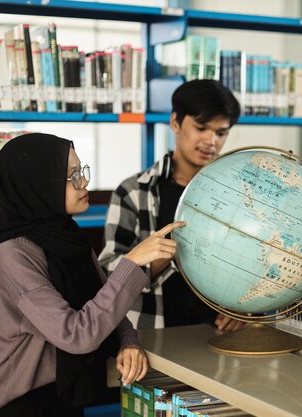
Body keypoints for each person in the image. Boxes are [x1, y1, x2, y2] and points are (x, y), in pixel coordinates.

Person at [0, 133, 185, 417]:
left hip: (65, 395)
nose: (84, 182)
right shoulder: (12, 256)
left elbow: (104, 305)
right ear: (38, 187)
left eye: (81, 171)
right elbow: (77, 334)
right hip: (22, 405)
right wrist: (132, 262)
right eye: (72, 176)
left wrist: (128, 341)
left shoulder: (68, 237)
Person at [99, 79, 244, 331]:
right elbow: (106, 274)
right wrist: (159, 257)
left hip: (219, 335)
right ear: (175, 122)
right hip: (152, 335)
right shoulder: (133, 192)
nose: (211, 141)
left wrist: (244, 309)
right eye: (201, 128)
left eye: (221, 133)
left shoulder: (242, 193)